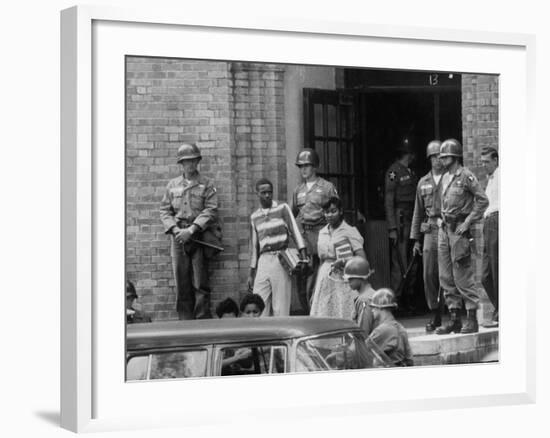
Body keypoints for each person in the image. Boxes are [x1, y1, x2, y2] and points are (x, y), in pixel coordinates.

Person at [160, 143, 220, 320]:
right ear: (181, 163)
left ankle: (202, 321)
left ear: (198, 161)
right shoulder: (172, 185)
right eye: (187, 161)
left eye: (194, 160)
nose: (190, 164)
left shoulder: (207, 184)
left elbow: (211, 209)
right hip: (178, 238)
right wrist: (175, 229)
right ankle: (184, 322)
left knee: (200, 283)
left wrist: (193, 229)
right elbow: (165, 210)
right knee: (182, 282)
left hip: (198, 237)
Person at [436, 139, 489, 335]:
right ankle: (454, 318)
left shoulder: (466, 176)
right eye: (442, 157)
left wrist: (468, 222)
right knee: (446, 276)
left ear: (455, 156)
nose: (442, 160)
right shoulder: (444, 178)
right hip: (444, 229)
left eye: (446, 156)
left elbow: (483, 200)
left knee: (462, 275)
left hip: (459, 230)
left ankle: (471, 319)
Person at [247, 178, 307, 316]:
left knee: (281, 306)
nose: (267, 195)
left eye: (269, 192)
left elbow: (295, 233)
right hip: (263, 261)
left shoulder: (282, 208)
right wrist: (251, 273)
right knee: (258, 302)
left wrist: (303, 258)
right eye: (263, 192)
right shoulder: (254, 217)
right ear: (257, 194)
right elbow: (255, 247)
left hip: (280, 259)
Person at [292, 148, 339, 312]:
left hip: (321, 234)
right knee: (304, 277)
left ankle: (320, 310)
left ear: (315, 167)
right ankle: (308, 310)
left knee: (322, 275)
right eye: (301, 166)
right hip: (305, 237)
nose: (303, 169)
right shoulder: (298, 190)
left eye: (307, 166)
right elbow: (294, 214)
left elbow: (336, 211)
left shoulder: (327, 187)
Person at [310, 197, 366, 319]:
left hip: (343, 279)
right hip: (325, 279)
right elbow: (321, 262)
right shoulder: (322, 232)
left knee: (343, 312)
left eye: (333, 211)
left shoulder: (349, 231)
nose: (329, 215)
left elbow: (362, 259)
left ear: (340, 211)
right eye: (326, 212)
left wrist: (345, 262)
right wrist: (316, 288)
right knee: (324, 314)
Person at [410, 140, 445, 332]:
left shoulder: (450, 178)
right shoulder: (423, 182)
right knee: (429, 273)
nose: (437, 160)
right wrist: (416, 239)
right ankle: (434, 311)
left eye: (440, 156)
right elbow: (418, 212)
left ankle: (451, 312)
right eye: (433, 156)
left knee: (446, 273)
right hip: (430, 229)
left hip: (447, 226)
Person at [384, 139, 418, 312]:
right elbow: (389, 201)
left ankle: (410, 298)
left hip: (413, 218)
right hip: (401, 219)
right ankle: (397, 299)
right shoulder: (394, 172)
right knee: (400, 262)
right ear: (408, 154)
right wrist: (392, 228)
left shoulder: (411, 172)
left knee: (413, 261)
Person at [367, 288, 413, 367]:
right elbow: (409, 359)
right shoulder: (400, 327)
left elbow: (361, 351)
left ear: (380, 307)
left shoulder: (382, 330)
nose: (372, 310)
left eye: (373, 307)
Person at [480, 146, 499, 328]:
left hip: (496, 220)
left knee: (496, 268)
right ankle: (500, 307)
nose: (484, 165)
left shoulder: (501, 176)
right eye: (482, 162)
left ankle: (501, 310)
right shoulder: (490, 179)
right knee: (485, 275)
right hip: (488, 222)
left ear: (495, 160)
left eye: (487, 161)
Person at [344, 257, 376, 337]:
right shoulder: (372, 294)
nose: (348, 281)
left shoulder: (364, 300)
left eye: (351, 278)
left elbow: (363, 332)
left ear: (361, 278)